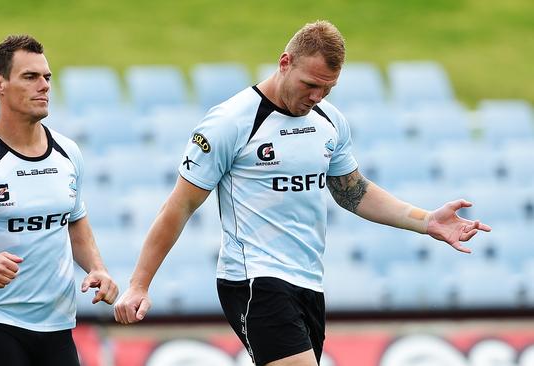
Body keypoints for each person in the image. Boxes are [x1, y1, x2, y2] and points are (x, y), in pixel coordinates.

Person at [113, 20, 492, 366]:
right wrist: (139, 285)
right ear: (284, 62)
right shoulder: (231, 122)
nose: (317, 96)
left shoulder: (329, 122)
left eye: (327, 88)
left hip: (309, 282)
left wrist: (426, 221)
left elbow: (353, 192)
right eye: (310, 84)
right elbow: (179, 207)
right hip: (254, 280)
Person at [0, 35, 118, 366]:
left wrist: (97, 268)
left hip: (58, 325)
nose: (43, 86)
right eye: (30, 77)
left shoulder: (68, 153)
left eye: (47, 77)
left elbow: (75, 222)